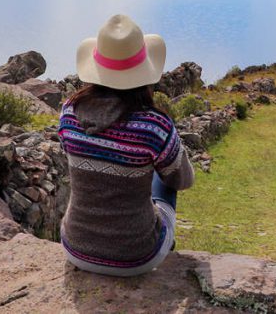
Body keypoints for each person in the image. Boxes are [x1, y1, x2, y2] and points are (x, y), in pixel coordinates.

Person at [58, 14, 195, 276]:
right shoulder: (154, 126)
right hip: (136, 257)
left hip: (75, 248)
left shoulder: (68, 112)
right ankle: (164, 244)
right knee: (165, 178)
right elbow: (183, 180)